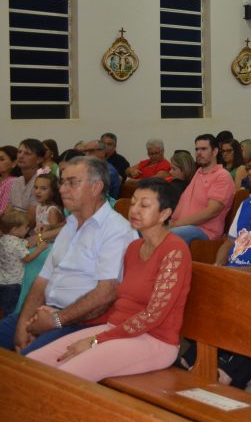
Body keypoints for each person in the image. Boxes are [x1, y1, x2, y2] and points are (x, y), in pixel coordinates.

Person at [26, 178, 190, 380]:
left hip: (154, 340)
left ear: (165, 213)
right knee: (33, 363)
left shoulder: (175, 250)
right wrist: (63, 315)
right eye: (133, 203)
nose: (135, 210)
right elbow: (119, 305)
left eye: (144, 205)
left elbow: (153, 315)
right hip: (115, 330)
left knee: (64, 377)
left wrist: (95, 340)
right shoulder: (134, 248)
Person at [0, 157, 137, 354]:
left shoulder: (117, 230)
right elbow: (42, 280)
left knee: (28, 363)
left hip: (81, 323)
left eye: (72, 182)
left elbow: (106, 294)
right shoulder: (70, 225)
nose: (63, 189)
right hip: (46, 312)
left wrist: (56, 320)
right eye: (62, 182)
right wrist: (23, 323)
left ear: (96, 187)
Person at [168, 135, 236, 245]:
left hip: (205, 231)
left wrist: (176, 224)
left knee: (163, 236)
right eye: (197, 149)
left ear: (215, 151)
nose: (199, 153)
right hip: (184, 226)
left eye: (204, 149)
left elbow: (211, 212)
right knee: (145, 230)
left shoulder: (222, 176)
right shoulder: (199, 172)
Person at [0, 210, 30, 315]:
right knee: (9, 310)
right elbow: (27, 258)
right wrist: (40, 248)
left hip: (2, 280)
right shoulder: (16, 243)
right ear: (15, 230)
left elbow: (26, 243)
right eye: (26, 227)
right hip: (13, 283)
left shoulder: (3, 239)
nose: (28, 229)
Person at [7, 139, 45, 213]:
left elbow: (31, 219)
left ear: (39, 160)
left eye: (27, 153)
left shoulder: (42, 181)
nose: (20, 156)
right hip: (12, 222)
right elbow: (8, 210)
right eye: (19, 152)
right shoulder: (17, 181)